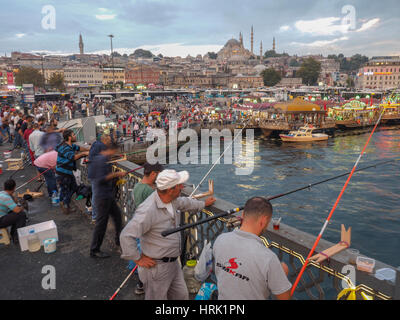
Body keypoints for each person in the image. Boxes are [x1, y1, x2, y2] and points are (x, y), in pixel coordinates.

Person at [120, 169, 216, 300]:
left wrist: (203, 204)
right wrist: (138, 258)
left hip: (173, 264)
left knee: (181, 296)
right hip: (157, 268)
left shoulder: (171, 200)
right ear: (171, 189)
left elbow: (185, 202)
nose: (182, 187)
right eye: (179, 185)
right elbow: (126, 235)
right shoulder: (148, 210)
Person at [213, 197, 292, 300]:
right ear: (263, 221)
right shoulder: (268, 258)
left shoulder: (220, 240)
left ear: (243, 215)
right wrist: (281, 275)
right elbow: (284, 298)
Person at [89, 143, 127, 258]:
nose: (114, 155)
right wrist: (117, 174)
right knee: (101, 224)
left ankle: (119, 239)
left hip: (107, 195)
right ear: (110, 150)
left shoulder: (98, 159)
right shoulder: (101, 160)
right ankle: (94, 249)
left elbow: (93, 176)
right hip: (103, 197)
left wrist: (114, 176)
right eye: (114, 152)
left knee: (117, 216)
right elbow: (101, 179)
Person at [131, 162, 163, 295]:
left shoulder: (137, 186)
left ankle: (141, 283)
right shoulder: (150, 191)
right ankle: (143, 284)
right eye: (159, 175)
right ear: (154, 174)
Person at [55, 129, 89, 214]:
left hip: (66, 172)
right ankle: (66, 207)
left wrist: (89, 149)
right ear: (69, 137)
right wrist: (83, 154)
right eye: (74, 135)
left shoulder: (70, 145)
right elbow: (72, 157)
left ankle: (63, 203)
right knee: (66, 190)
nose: (75, 136)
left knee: (71, 188)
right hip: (63, 173)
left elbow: (79, 148)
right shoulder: (65, 147)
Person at [87, 134, 112, 223]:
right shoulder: (101, 146)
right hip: (98, 175)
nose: (109, 143)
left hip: (93, 174)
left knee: (97, 195)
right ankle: (96, 217)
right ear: (105, 140)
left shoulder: (95, 144)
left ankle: (97, 214)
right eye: (109, 141)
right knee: (97, 196)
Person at [0, 179, 27, 244]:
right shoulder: (6, 197)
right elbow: (17, 210)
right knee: (21, 215)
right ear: (14, 187)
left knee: (14, 213)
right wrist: (22, 207)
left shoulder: (2, 193)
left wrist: (12, 196)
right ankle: (16, 237)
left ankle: (13, 233)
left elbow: (14, 204)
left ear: (4, 187)